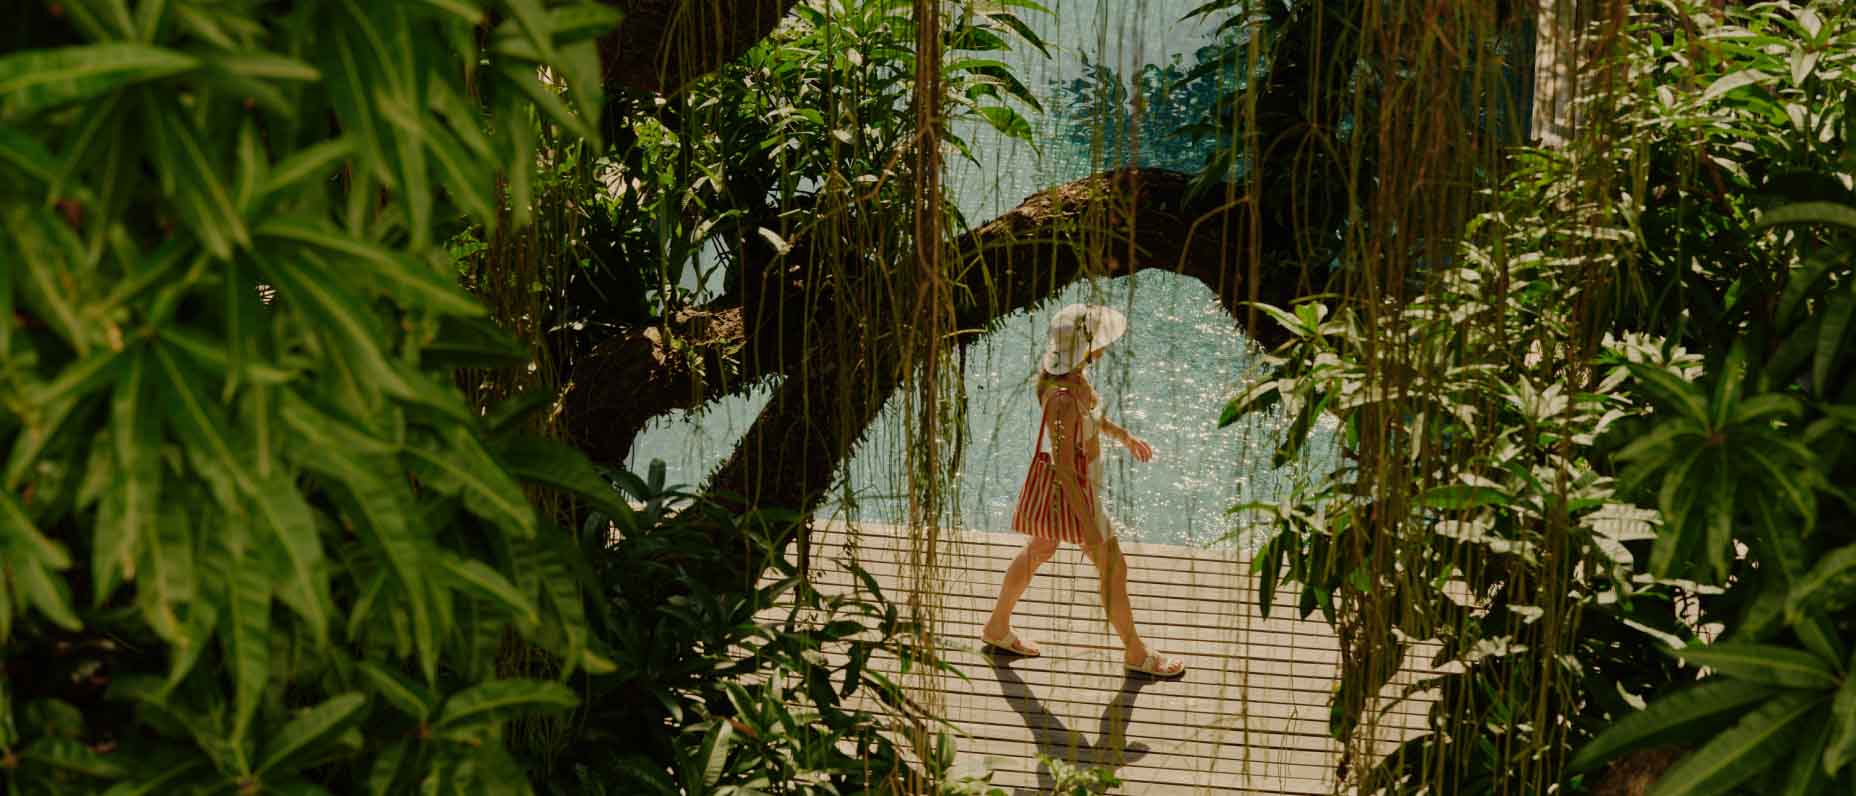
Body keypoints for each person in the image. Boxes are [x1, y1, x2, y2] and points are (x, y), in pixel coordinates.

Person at [981, 303, 1186, 678]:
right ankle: (1136, 653)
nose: (1104, 346)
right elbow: (1061, 465)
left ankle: (997, 627)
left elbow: (1091, 416)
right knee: (1113, 567)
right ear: (1085, 348)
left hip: (1077, 488)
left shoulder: (1073, 379)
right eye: (1097, 341)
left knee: (1039, 549)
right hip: (1074, 494)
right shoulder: (1061, 397)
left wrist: (1123, 436)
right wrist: (1089, 522)